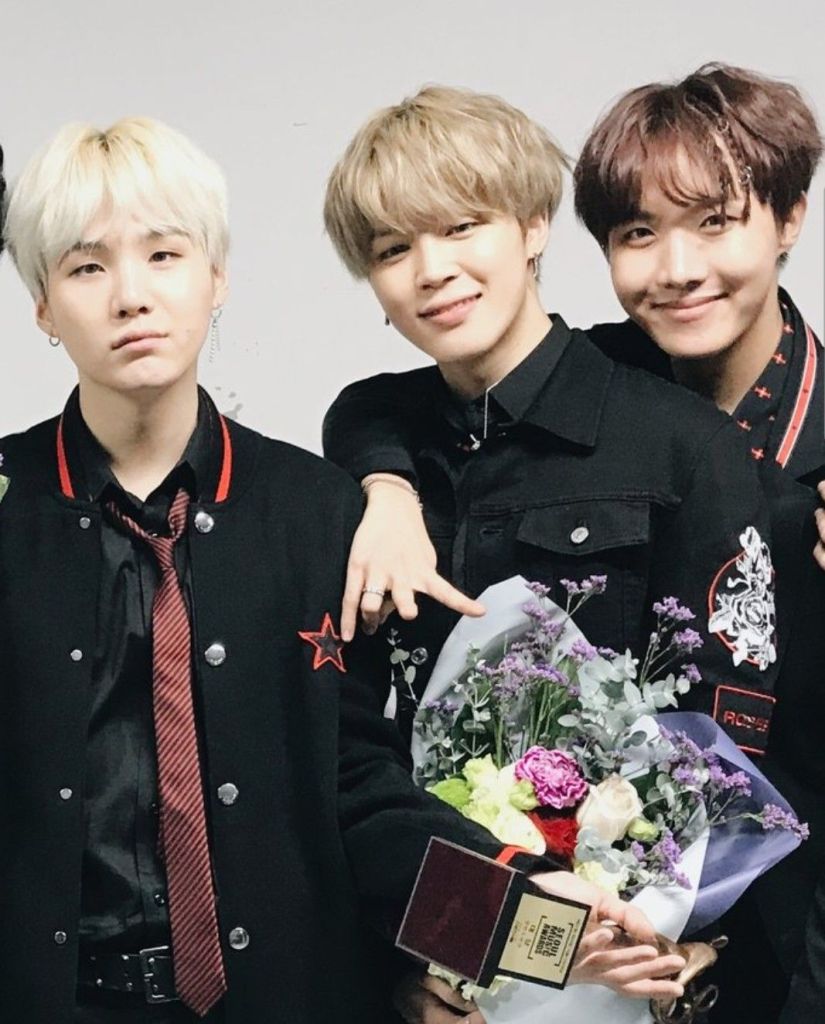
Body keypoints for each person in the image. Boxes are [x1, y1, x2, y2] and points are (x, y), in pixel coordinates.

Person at [0, 117, 683, 1024]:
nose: (131, 296)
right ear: (43, 307)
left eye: (164, 255)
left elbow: (356, 787)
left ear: (216, 278)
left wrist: (532, 924)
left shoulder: (319, 512)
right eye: (87, 268)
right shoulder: (11, 508)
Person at [321, 82, 780, 1021]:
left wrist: (657, 940)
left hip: (640, 960)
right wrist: (436, 964)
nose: (432, 270)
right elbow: (352, 753)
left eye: (461, 227)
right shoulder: (373, 456)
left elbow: (731, 736)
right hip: (450, 979)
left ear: (533, 225)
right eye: (393, 249)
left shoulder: (681, 443)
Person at [572, 62, 825, 1024]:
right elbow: (395, 406)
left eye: (714, 221)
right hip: (603, 951)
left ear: (788, 217)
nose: (676, 269)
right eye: (638, 233)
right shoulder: (588, 386)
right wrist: (385, 483)